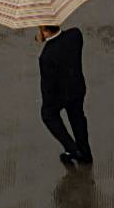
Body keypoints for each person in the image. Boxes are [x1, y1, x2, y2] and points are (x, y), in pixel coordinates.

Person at [37, 25, 93, 165]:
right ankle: (85, 153)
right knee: (77, 119)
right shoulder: (75, 35)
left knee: (48, 115)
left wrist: (48, 104)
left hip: (60, 95)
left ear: (44, 31)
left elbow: (47, 87)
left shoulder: (46, 56)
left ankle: (73, 149)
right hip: (77, 88)